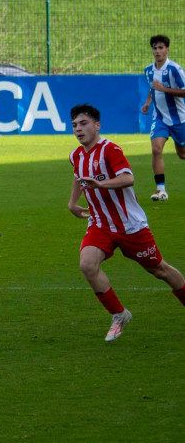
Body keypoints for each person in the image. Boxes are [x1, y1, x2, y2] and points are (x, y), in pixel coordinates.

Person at [68, 103, 185, 341]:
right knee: (87, 265)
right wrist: (72, 202)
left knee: (159, 270)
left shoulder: (110, 150)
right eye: (74, 125)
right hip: (100, 223)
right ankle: (119, 314)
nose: (78, 129)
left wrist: (100, 184)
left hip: (130, 226)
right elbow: (78, 177)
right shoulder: (76, 155)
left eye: (84, 123)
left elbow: (128, 178)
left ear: (97, 125)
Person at [141, 35, 185, 201]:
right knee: (156, 149)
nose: (157, 51)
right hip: (159, 118)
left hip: (179, 119)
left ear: (167, 49)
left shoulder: (175, 69)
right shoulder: (148, 70)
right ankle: (161, 190)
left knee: (182, 154)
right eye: (155, 48)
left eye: (160, 48)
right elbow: (152, 89)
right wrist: (147, 103)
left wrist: (164, 89)